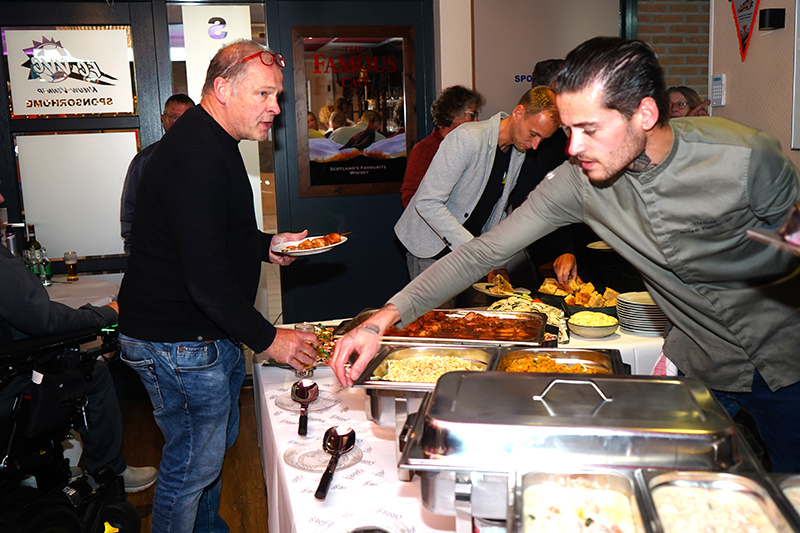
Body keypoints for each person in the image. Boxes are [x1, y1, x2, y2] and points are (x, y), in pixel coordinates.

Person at [332, 37, 800, 473]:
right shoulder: (579, 179)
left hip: (781, 364)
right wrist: (383, 320)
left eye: (589, 129)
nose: (573, 148)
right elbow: (482, 252)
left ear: (645, 113)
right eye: (568, 129)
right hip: (699, 365)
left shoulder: (744, 157)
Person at [117, 40, 317, 532]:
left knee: (206, 459)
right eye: (264, 94)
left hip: (199, 336)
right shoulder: (197, 154)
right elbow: (204, 279)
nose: (275, 107)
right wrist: (272, 339)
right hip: (177, 342)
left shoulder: (211, 141)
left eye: (278, 95)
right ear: (222, 88)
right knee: (190, 469)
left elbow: (211, 232)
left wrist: (266, 245)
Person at [0, 194, 158, 493]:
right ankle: (109, 469)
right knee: (93, 372)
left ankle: (41, 464)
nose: (1, 197)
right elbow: (44, 320)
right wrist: (102, 315)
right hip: (8, 381)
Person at [395, 86, 559, 281]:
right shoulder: (467, 138)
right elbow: (427, 202)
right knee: (438, 313)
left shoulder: (518, 152)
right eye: (533, 134)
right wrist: (475, 250)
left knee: (477, 311)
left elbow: (497, 211)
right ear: (518, 113)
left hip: (470, 253)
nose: (535, 146)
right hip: (431, 249)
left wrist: (499, 263)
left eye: (542, 138)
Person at [120, 93, 195, 255]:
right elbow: (130, 210)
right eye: (174, 117)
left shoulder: (210, 158)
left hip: (199, 254)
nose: (180, 123)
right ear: (164, 119)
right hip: (157, 256)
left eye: (186, 117)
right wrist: (133, 251)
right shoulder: (145, 161)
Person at [399, 85, 485, 208]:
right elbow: (409, 198)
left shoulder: (472, 146)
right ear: (453, 114)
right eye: (472, 114)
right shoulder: (424, 150)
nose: (476, 120)